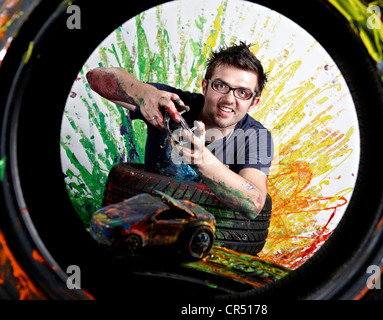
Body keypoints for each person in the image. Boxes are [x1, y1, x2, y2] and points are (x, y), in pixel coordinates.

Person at [86, 42, 273, 220]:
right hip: (146, 223)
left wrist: (202, 161)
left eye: (243, 93)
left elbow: (254, 204)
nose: (229, 99)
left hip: (205, 237)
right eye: (221, 86)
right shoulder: (171, 104)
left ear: (253, 102)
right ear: (205, 86)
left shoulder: (257, 137)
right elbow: (95, 77)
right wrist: (143, 93)